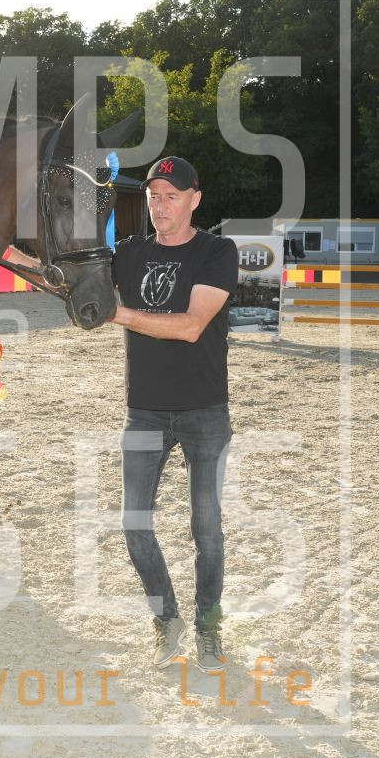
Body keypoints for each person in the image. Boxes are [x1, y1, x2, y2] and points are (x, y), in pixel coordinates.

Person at [108, 156, 237, 672]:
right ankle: (167, 618)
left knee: (207, 530)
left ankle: (209, 627)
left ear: (194, 200)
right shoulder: (128, 252)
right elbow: (68, 278)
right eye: (154, 196)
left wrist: (115, 312)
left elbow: (190, 326)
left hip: (205, 411)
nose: (160, 206)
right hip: (144, 411)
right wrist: (4, 250)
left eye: (172, 196)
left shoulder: (216, 251)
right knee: (134, 524)